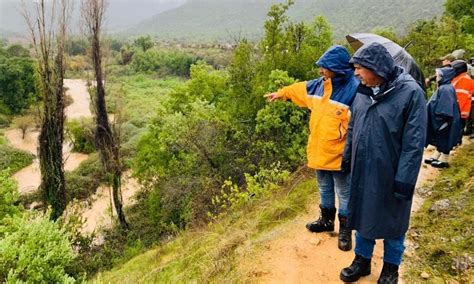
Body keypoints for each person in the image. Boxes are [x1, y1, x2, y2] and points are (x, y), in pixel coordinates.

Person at [339, 42, 427, 283]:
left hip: (392, 174)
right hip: (363, 170)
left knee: (394, 222)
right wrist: (347, 157)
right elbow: (354, 125)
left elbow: (414, 143)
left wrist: (405, 181)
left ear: (374, 67)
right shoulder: (362, 91)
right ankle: (362, 260)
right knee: (363, 216)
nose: (355, 73)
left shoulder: (411, 93)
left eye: (359, 68)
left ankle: (391, 268)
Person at [265, 45, 359, 251]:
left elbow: (359, 126)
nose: (321, 71)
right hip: (319, 150)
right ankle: (326, 221)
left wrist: (350, 152)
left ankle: (345, 230)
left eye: (325, 67)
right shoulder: (319, 86)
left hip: (340, 153)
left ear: (338, 68)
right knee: (324, 187)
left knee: (344, 191)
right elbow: (299, 89)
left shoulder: (355, 89)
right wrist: (281, 94)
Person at [424, 67, 462, 168]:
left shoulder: (446, 89)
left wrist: (440, 120)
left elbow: (445, 108)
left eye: (438, 76)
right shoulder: (444, 87)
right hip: (441, 120)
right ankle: (437, 155)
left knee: (445, 138)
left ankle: (444, 159)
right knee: (439, 139)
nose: (436, 77)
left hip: (444, 121)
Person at [450, 60, 474, 139]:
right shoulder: (460, 78)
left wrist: (456, 111)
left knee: (457, 129)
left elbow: (461, 97)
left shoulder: (463, 79)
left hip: (460, 110)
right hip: (460, 109)